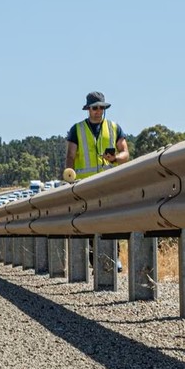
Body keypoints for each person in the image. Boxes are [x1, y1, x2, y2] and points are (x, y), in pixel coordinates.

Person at [65, 91, 130, 272]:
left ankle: (114, 258)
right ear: (88, 109)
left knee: (112, 221)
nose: (98, 111)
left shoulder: (114, 127)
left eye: (102, 108)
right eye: (95, 108)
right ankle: (96, 261)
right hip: (85, 186)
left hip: (109, 184)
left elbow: (125, 153)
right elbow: (70, 155)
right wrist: (70, 177)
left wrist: (115, 158)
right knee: (91, 223)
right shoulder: (76, 130)